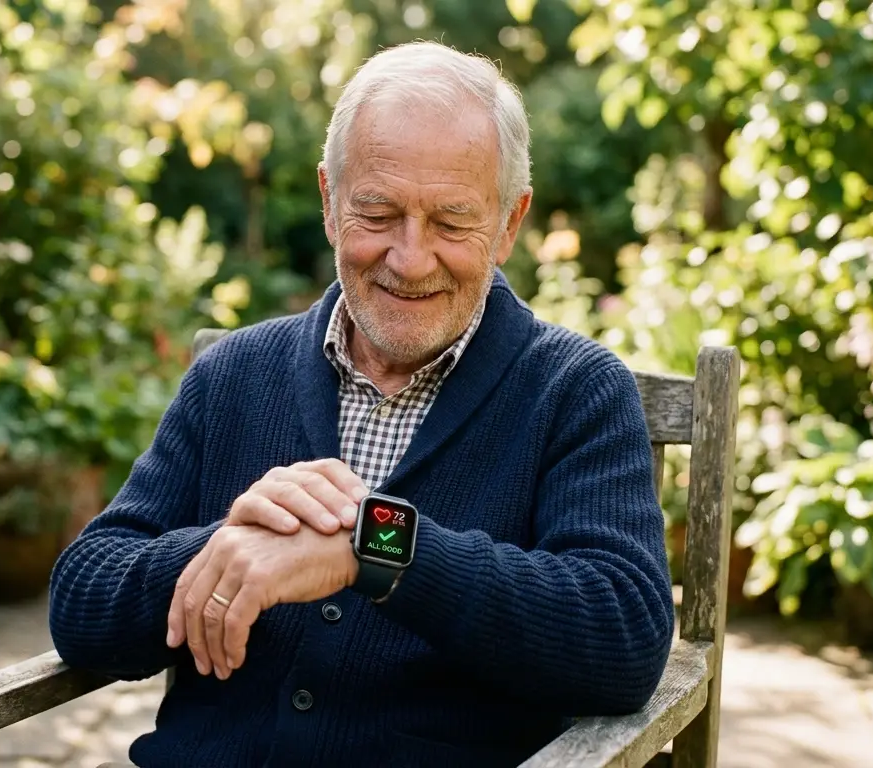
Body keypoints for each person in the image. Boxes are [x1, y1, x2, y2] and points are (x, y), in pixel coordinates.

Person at [49, 40, 675, 768]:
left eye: (450, 222)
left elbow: (622, 635)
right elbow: (83, 596)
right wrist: (233, 549)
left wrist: (374, 546)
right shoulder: (232, 376)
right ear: (328, 203)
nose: (410, 259)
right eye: (376, 213)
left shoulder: (575, 390)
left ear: (509, 223)